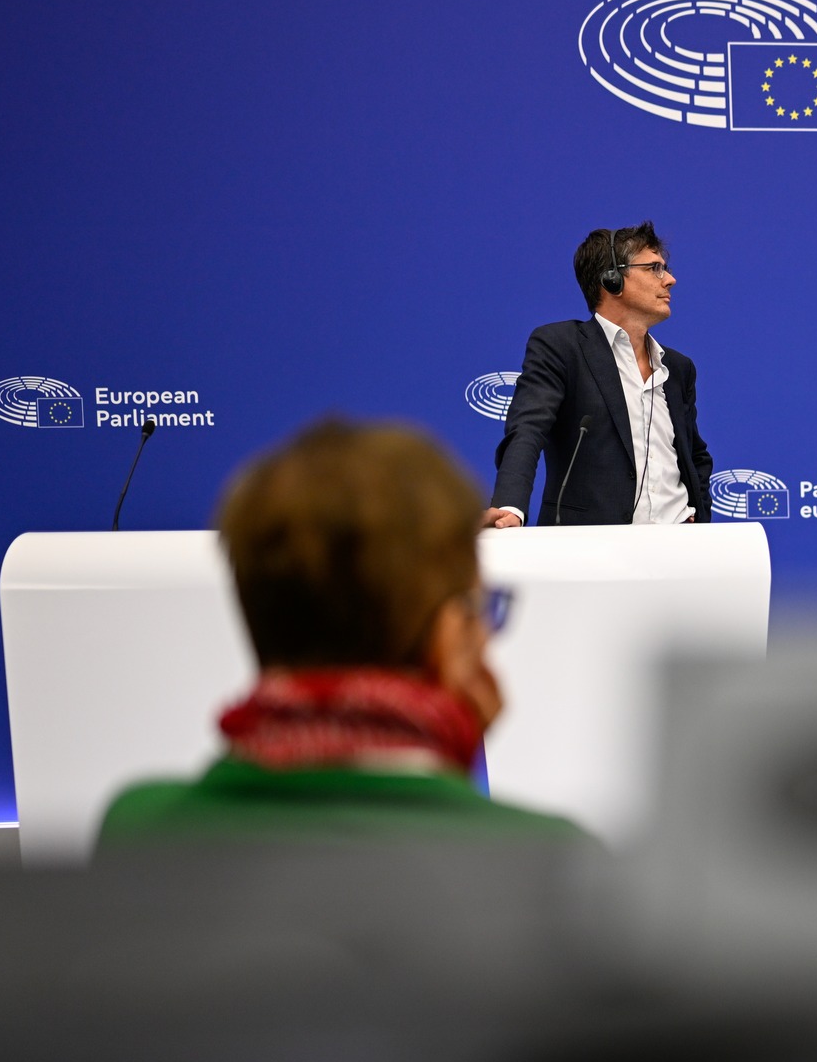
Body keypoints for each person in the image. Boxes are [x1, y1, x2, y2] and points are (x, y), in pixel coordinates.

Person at [97, 418, 583, 846]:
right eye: (481, 609)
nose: (487, 634)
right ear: (447, 635)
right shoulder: (550, 857)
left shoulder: (134, 828)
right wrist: (450, 760)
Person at [486, 221, 711, 528]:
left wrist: (700, 520)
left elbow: (695, 455)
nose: (670, 279)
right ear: (612, 279)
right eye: (655, 268)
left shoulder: (679, 367)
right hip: (593, 551)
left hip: (681, 547)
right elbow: (527, 429)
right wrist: (509, 506)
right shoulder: (561, 346)